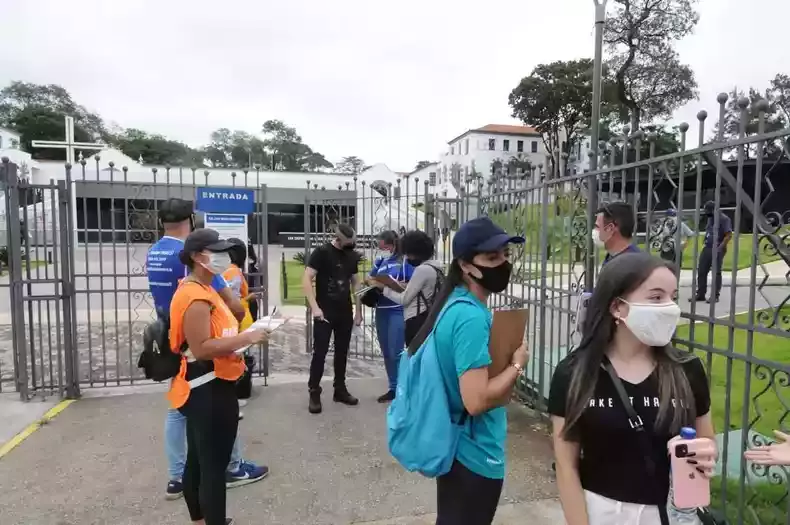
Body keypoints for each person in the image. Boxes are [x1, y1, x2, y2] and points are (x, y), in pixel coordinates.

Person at [548, 252, 717, 525]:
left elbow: (707, 443)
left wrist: (703, 456)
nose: (670, 307)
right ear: (617, 307)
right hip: (600, 512)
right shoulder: (575, 373)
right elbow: (566, 467)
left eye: (673, 296)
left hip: (671, 514)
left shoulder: (688, 370)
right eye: (656, 297)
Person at [408, 216, 529, 525]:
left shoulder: (455, 304)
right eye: (492, 257)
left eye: (504, 255)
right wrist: (517, 364)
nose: (502, 263)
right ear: (465, 264)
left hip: (457, 447)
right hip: (473, 453)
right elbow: (476, 401)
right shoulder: (470, 317)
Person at [146, 198, 268, 501]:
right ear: (190, 219)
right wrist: (241, 328)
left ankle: (177, 475)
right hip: (201, 342)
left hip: (171, 334)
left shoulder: (155, 252)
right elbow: (233, 305)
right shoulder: (195, 259)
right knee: (222, 404)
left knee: (178, 408)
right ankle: (232, 466)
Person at [167, 228, 270, 525]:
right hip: (207, 386)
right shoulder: (194, 297)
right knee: (213, 466)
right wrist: (246, 339)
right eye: (217, 252)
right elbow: (202, 348)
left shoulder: (207, 287)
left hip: (212, 382)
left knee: (200, 460)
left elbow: (237, 313)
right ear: (199, 257)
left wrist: (220, 282)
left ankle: (199, 519)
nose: (224, 257)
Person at [302, 223, 364, 414]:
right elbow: (306, 279)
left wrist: (359, 311)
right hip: (324, 312)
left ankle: (340, 389)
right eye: (348, 243)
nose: (351, 245)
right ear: (338, 239)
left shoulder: (352, 256)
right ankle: (314, 391)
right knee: (319, 353)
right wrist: (315, 308)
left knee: (342, 352)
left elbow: (356, 283)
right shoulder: (321, 252)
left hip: (344, 311)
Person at [372, 229, 444, 346]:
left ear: (415, 252)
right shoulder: (437, 268)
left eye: (408, 253)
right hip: (430, 318)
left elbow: (404, 300)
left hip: (416, 320)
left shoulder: (422, 270)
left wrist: (383, 288)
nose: (407, 257)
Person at [367, 230, 414, 403]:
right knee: (386, 351)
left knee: (396, 351)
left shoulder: (405, 262)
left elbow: (411, 285)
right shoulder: (381, 260)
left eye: (382, 246)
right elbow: (371, 278)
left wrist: (389, 285)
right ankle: (393, 387)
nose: (380, 249)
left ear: (391, 245)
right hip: (382, 309)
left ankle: (404, 387)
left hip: (397, 309)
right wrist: (372, 281)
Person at [691, 201, 732, 304]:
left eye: (708, 211)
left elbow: (728, 235)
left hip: (718, 248)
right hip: (707, 247)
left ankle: (715, 296)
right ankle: (701, 294)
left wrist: (720, 247)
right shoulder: (710, 218)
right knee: (701, 271)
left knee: (716, 272)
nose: (706, 213)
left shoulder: (724, 219)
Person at [592, 201, 640, 266]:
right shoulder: (612, 257)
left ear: (610, 228)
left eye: (597, 226)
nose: (594, 231)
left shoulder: (632, 265)